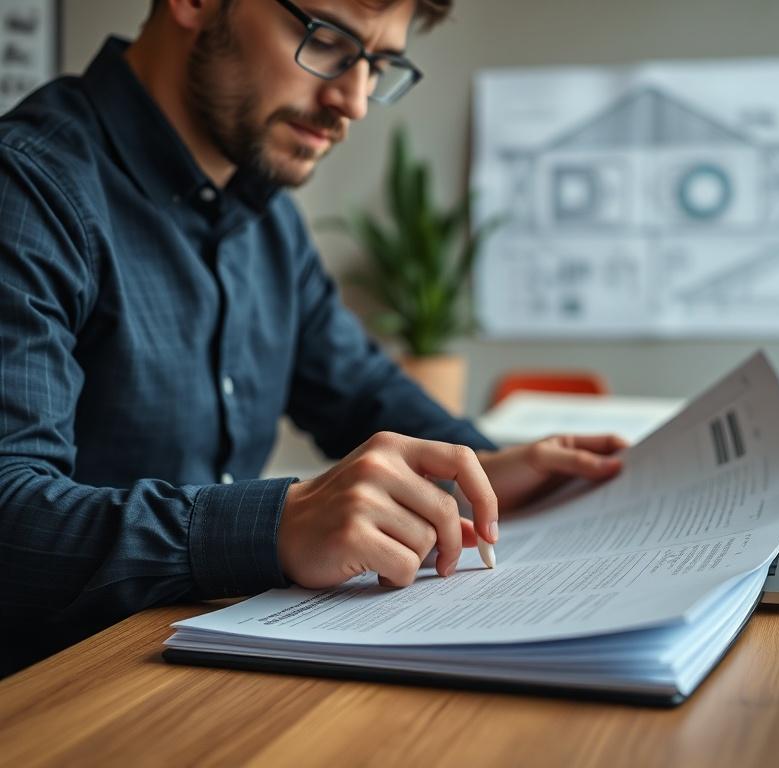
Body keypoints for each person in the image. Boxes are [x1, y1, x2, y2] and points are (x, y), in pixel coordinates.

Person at [0, 0, 627, 676]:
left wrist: (479, 465)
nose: (354, 101)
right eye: (326, 40)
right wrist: (277, 525)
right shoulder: (28, 189)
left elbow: (359, 389)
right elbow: (10, 512)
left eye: (380, 65)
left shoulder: (266, 221)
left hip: (197, 672)